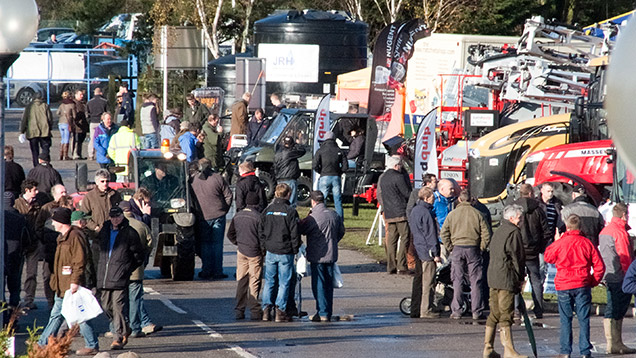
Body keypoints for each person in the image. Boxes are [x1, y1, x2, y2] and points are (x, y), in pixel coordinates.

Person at [37, 208, 100, 356]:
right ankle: (91, 344)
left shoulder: (75, 237)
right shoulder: (63, 236)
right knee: (66, 314)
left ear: (61, 222)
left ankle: (42, 343)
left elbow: (79, 261)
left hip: (70, 285)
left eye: (54, 221)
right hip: (63, 284)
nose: (52, 224)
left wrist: (75, 281)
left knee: (73, 314)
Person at [545, 214, 605, 358]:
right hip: (582, 282)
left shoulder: (561, 243)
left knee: (565, 319)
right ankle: (585, 351)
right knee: (584, 318)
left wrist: (556, 241)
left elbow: (548, 257)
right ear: (580, 227)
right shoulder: (586, 243)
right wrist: (593, 281)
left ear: (567, 226)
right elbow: (600, 266)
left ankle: (565, 351)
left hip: (565, 283)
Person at [96, 206, 145, 350]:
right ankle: (125, 328)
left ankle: (117, 337)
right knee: (105, 306)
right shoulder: (104, 230)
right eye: (113, 217)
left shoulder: (130, 233)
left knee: (118, 308)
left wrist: (126, 269)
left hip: (120, 277)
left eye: (118, 216)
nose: (115, 219)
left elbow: (139, 256)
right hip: (104, 275)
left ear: (122, 216)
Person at [440, 189, 491, 320]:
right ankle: (477, 311)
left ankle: (456, 310)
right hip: (473, 249)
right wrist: (481, 248)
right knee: (476, 281)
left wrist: (450, 247)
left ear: (460, 200)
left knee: (457, 280)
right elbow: (486, 234)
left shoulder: (452, 214)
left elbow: (444, 232)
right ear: (470, 200)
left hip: (457, 248)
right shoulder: (478, 214)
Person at [483, 204, 526, 358]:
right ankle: (509, 351)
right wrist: (520, 278)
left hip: (493, 275)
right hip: (506, 277)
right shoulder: (513, 232)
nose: (521, 221)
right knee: (506, 313)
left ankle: (488, 348)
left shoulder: (499, 230)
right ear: (512, 218)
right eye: (520, 218)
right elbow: (518, 257)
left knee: (494, 313)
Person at [299, 191, 345, 322]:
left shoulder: (313, 217)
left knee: (318, 284)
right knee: (328, 284)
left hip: (317, 255)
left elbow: (301, 229)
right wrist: (333, 242)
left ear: (313, 201)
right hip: (331, 254)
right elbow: (341, 232)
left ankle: (322, 311)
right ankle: (327, 311)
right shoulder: (334, 215)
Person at [119, 201, 162, 337]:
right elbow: (150, 243)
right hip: (136, 269)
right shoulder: (141, 225)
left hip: (118, 270)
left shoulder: (115, 226)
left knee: (120, 299)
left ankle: (120, 327)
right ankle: (136, 327)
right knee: (135, 299)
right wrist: (143, 257)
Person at [259, 183, 301, 322]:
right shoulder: (290, 211)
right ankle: (280, 310)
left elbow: (261, 231)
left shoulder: (268, 210)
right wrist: (295, 249)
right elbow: (295, 233)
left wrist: (264, 246)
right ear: (288, 194)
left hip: (271, 250)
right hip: (285, 251)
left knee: (270, 281)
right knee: (284, 282)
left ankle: (266, 309)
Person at [598, 203, 636, 354]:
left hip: (609, 274)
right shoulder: (620, 232)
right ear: (624, 215)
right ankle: (616, 343)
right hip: (620, 275)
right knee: (617, 309)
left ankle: (611, 343)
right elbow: (624, 256)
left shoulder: (605, 230)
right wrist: (629, 277)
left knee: (611, 307)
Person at [512, 183, 551, 319]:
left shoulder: (513, 209)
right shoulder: (538, 210)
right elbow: (546, 232)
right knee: (536, 280)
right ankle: (538, 309)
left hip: (517, 251)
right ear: (530, 194)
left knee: (516, 280)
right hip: (533, 251)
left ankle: (516, 309)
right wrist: (540, 247)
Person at [191, 158, 233, 279]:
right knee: (217, 244)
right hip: (218, 215)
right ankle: (217, 271)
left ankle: (206, 270)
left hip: (202, 216)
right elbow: (228, 195)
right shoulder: (218, 178)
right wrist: (225, 210)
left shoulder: (193, 180)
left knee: (205, 244)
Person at [227, 193, 265, 320]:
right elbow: (262, 237)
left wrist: (238, 242)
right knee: (254, 281)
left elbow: (230, 234)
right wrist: (263, 251)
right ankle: (255, 310)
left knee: (242, 280)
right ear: (256, 204)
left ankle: (239, 309)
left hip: (241, 251)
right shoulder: (258, 217)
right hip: (255, 252)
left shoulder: (238, 215)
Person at [408, 187, 440, 319]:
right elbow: (430, 234)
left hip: (418, 248)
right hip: (427, 251)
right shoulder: (426, 213)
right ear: (426, 198)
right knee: (429, 281)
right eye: (432, 197)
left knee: (419, 281)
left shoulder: (414, 210)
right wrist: (435, 253)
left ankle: (416, 308)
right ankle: (426, 309)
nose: (434, 199)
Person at [14, 179, 47, 310]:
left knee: (32, 273)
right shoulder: (17, 204)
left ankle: (29, 298)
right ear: (27, 190)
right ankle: (15, 298)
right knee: (17, 273)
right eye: (34, 190)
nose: (37, 192)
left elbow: (41, 223)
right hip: (20, 244)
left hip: (33, 243)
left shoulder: (38, 204)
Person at [377, 155, 411, 274]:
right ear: (396, 165)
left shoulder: (384, 177)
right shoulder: (399, 177)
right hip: (401, 211)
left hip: (389, 212)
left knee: (391, 240)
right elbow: (406, 193)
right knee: (405, 238)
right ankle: (402, 265)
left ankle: (390, 266)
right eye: (400, 165)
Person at [313, 131, 348, 218]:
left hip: (324, 176)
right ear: (334, 139)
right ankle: (340, 220)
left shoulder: (320, 150)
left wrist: (321, 172)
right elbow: (345, 166)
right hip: (336, 177)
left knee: (322, 199)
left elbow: (314, 165)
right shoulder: (339, 150)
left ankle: (321, 217)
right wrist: (340, 172)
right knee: (338, 200)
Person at [20, 92, 53, 167]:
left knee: (35, 151)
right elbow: (50, 118)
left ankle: (36, 165)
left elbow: (24, 119)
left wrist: (22, 131)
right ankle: (45, 163)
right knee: (45, 148)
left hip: (32, 131)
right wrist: (49, 127)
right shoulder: (45, 106)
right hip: (44, 131)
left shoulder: (29, 106)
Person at [274, 137, 306, 208]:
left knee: (280, 200)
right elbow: (302, 151)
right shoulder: (290, 153)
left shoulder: (277, 153)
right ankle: (290, 216)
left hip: (280, 179)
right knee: (291, 203)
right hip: (290, 179)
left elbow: (275, 167)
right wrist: (296, 144)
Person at [87, 87, 109, 160]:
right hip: (101, 122)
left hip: (93, 121)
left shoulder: (89, 102)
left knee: (92, 138)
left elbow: (87, 113)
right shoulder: (104, 101)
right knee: (102, 138)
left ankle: (91, 154)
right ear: (101, 93)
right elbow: (107, 112)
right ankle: (103, 152)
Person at [56, 91, 75, 160]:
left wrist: (62, 114)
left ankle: (60, 154)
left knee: (62, 139)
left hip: (60, 123)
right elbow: (75, 116)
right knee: (66, 139)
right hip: (67, 123)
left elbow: (57, 113)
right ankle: (65, 155)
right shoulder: (71, 104)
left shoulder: (61, 105)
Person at [72, 89, 89, 160]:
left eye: (82, 94)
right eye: (80, 94)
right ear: (76, 95)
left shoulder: (83, 103)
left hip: (83, 124)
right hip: (77, 125)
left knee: (81, 139)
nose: (82, 96)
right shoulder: (74, 103)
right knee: (77, 140)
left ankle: (79, 153)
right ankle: (75, 154)